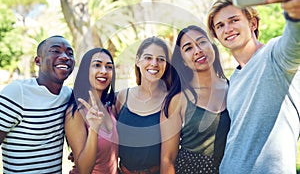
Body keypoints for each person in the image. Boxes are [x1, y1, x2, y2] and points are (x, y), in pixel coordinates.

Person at [207, 0, 300, 173]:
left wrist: (295, 14)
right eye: (220, 25)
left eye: (234, 20)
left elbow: (295, 41)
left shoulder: (275, 56)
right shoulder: (233, 80)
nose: (228, 29)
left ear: (253, 23)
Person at [160, 25, 230, 174]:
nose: (198, 50)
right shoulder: (178, 100)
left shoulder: (234, 88)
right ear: (183, 60)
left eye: (202, 42)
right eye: (188, 48)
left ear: (212, 46)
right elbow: (167, 159)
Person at [0, 35, 75, 173]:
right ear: (38, 61)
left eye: (70, 53)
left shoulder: (68, 95)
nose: (65, 57)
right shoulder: (18, 92)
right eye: (55, 51)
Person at [115, 36, 172, 174]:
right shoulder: (122, 96)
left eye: (161, 59)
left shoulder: (171, 100)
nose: (154, 63)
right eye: (148, 57)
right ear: (137, 60)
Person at [64, 48, 118, 174]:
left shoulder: (108, 107)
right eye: (97, 65)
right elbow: (84, 170)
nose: (104, 71)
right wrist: (93, 128)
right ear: (85, 70)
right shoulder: (76, 112)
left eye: (109, 67)